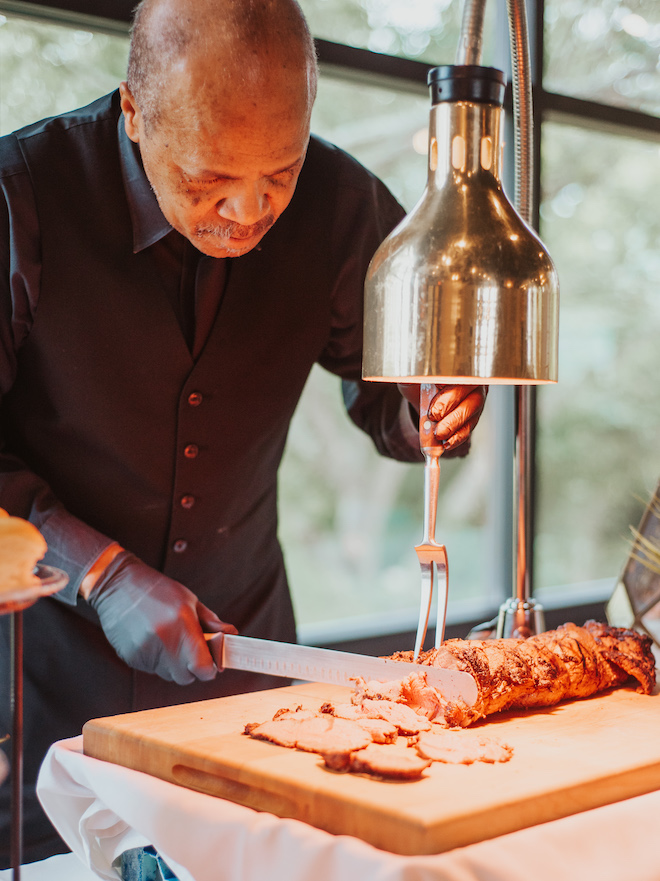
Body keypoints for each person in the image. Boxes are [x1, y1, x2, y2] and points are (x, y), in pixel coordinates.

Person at [0, 0, 486, 864]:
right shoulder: (21, 194)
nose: (248, 209)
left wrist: (426, 409)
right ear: (134, 109)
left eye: (281, 172)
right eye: (206, 176)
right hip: (39, 663)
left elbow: (389, 389)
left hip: (244, 654)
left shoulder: (341, 206)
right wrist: (102, 575)